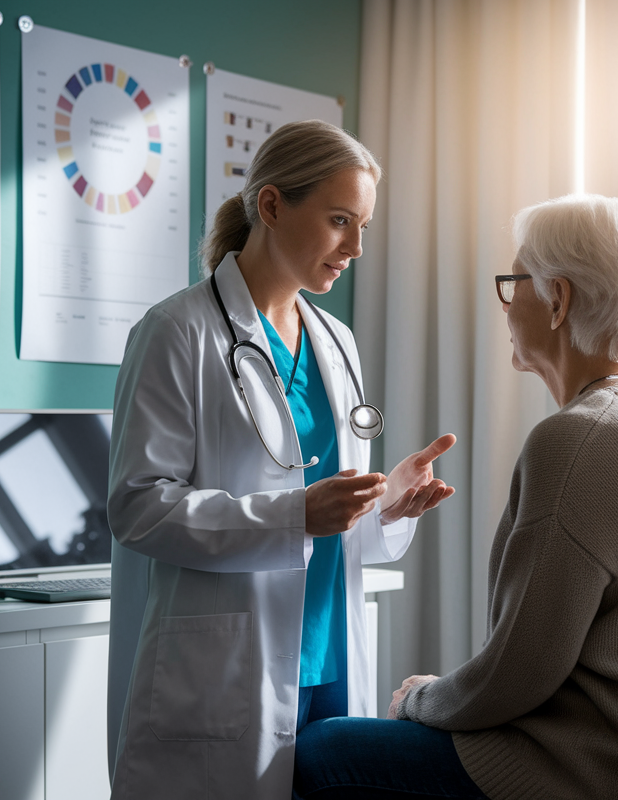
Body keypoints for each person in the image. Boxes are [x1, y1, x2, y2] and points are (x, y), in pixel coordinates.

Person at [293, 194, 618, 800]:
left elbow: (518, 675)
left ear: (559, 300)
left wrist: (421, 698)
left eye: (514, 282)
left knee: (320, 752)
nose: (506, 302)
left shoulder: (580, 439)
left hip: (590, 769)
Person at [107, 120, 457, 800]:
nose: (355, 247)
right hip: (226, 667)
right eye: (337, 221)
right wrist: (294, 514)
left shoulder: (338, 341)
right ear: (271, 207)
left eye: (363, 226)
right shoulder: (177, 331)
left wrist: (386, 505)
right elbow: (139, 506)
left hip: (327, 654)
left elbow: (330, 518)